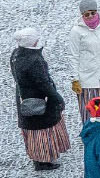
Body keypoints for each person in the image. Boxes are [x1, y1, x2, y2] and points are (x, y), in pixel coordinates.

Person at [12, 28, 69, 169]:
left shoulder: (16, 55)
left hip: (24, 98)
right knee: (42, 130)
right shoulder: (35, 60)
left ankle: (37, 158)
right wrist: (57, 98)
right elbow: (43, 83)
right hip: (39, 99)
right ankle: (43, 160)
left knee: (33, 130)